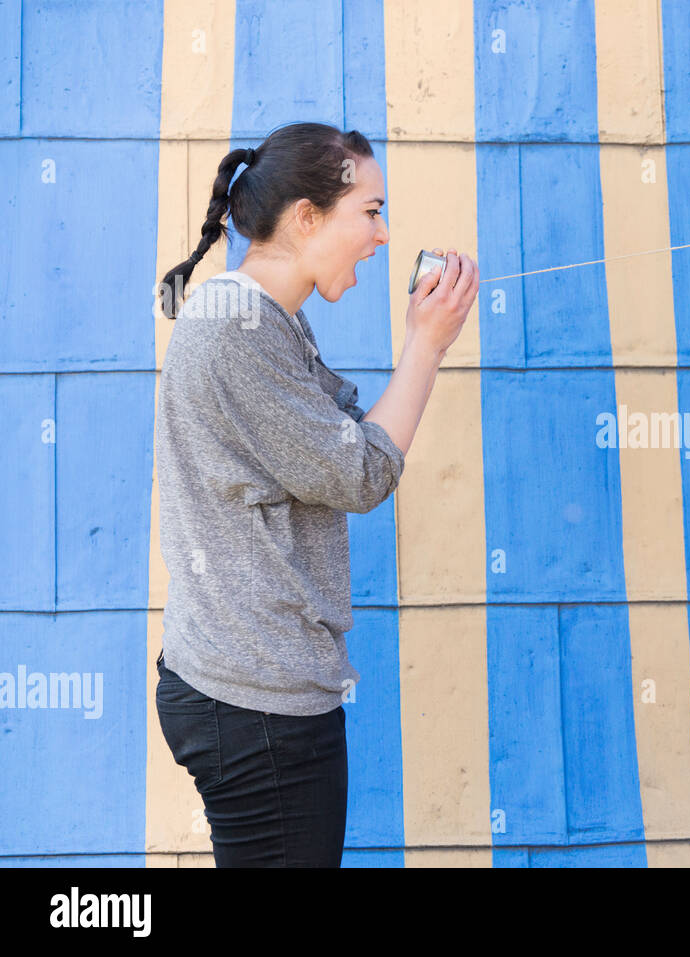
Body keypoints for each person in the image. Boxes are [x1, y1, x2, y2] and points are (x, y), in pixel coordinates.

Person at [153, 121, 479, 866]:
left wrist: (422, 340)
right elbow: (360, 469)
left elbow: (350, 434)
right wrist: (426, 346)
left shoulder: (268, 319)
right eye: (369, 211)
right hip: (254, 703)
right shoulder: (236, 330)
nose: (384, 233)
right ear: (306, 216)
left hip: (252, 690)